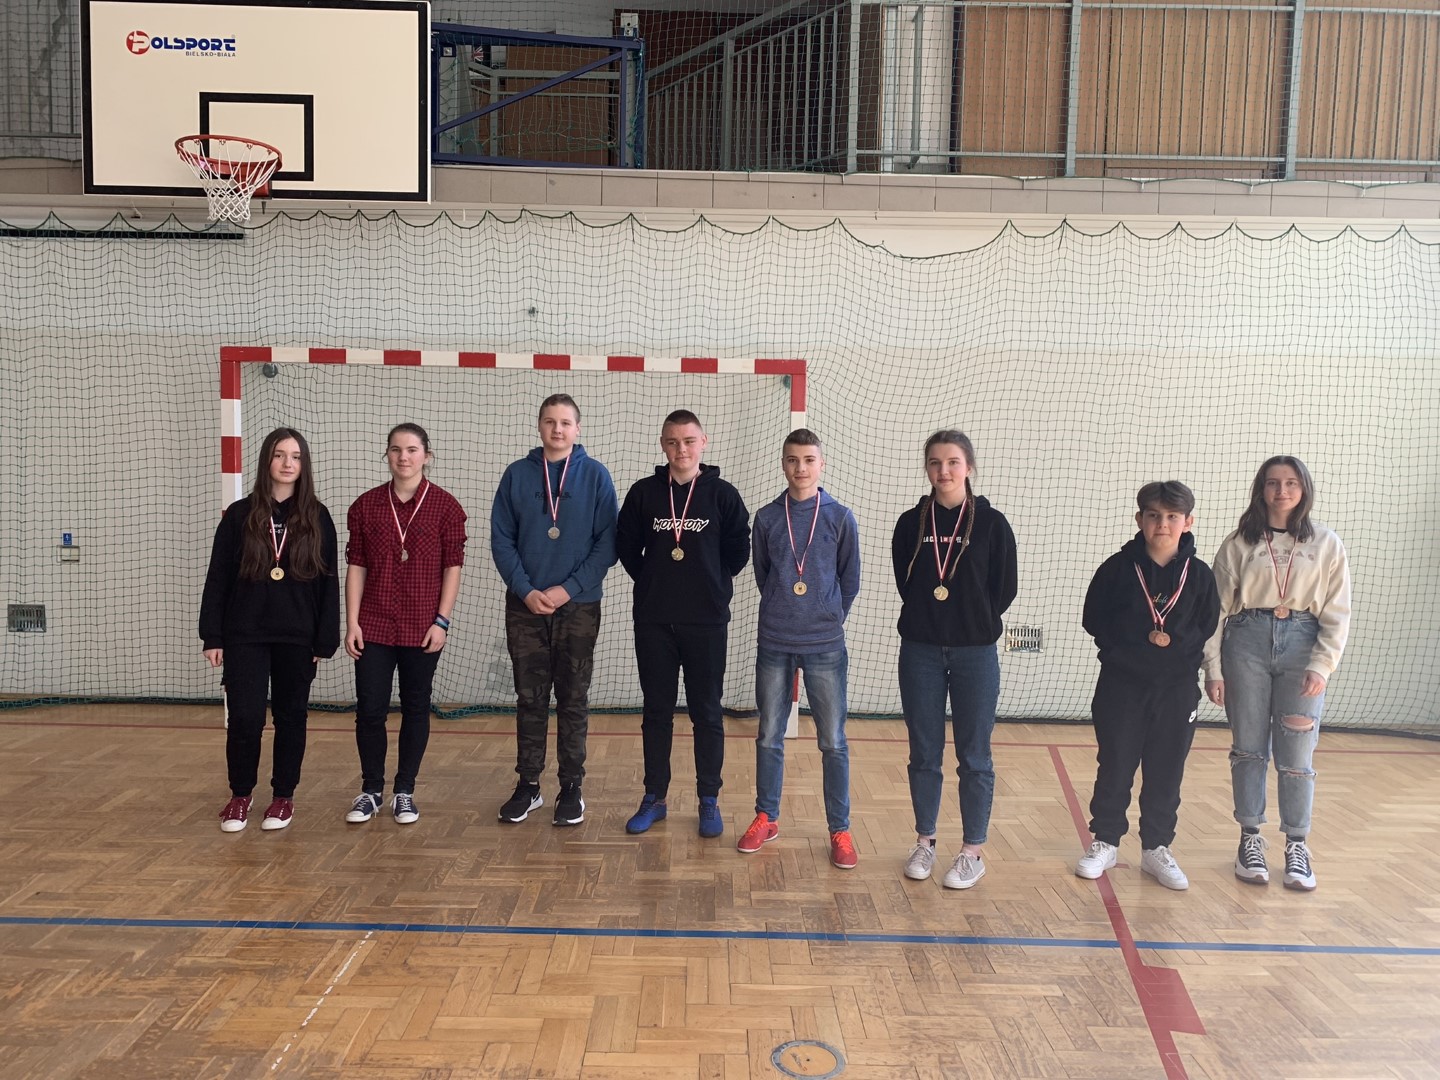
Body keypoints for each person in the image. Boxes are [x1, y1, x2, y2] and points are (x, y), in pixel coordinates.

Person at [1204, 456, 1351, 891]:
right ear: (1261, 489)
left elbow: (1338, 613)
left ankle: (1297, 845)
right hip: (1246, 642)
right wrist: (1213, 669)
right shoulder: (1239, 543)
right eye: (1272, 483)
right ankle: (1250, 838)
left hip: (1304, 645)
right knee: (1249, 748)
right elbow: (1213, 614)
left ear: (1303, 489)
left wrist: (1322, 665)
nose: (1281, 491)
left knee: (1297, 754)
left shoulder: (1326, 543)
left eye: (1290, 483)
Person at [1076, 481, 1219, 890]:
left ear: (1188, 522)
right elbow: (1094, 619)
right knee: (1115, 764)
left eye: (1173, 516)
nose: (1162, 524)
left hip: (1177, 690)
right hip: (1121, 686)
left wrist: (1176, 654)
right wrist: (1129, 650)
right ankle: (1106, 841)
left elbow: (1207, 624)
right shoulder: (1116, 569)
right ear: (1139, 519)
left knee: (1166, 769)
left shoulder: (1200, 575)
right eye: (1154, 515)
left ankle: (1157, 847)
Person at [891, 430, 1016, 889]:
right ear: (927, 468)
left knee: (974, 755)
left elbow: (1004, 588)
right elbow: (906, 582)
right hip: (920, 650)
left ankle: (971, 852)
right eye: (935, 463)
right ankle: (924, 842)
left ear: (969, 467)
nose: (943, 471)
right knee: (924, 751)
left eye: (953, 462)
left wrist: (971, 620)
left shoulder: (992, 524)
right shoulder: (911, 523)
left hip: (975, 653)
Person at [616, 410, 750, 838]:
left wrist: (710, 584)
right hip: (653, 621)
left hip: (706, 621)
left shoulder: (723, 495)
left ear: (703, 442)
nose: (681, 449)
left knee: (706, 712)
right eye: (673, 441)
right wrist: (653, 582)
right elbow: (626, 547)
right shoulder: (643, 493)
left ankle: (708, 799)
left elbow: (738, 551)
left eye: (689, 441)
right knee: (656, 711)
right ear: (663, 444)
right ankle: (654, 797)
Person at [201, 427, 339, 833]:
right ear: (266, 461)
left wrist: (325, 638)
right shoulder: (239, 515)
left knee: (291, 716)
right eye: (279, 455)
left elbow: (328, 582)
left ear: (304, 464)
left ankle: (283, 797)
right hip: (245, 634)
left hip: (298, 637)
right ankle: (240, 794)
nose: (287, 463)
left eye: (295, 456)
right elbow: (218, 577)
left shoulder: (318, 516)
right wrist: (213, 635)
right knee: (245, 718)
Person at [491, 394, 618, 826]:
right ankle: (528, 785)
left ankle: (571, 788)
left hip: (578, 606)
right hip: (525, 607)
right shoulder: (516, 474)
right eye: (550, 421)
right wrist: (526, 591)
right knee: (529, 698)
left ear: (577, 429)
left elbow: (608, 543)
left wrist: (569, 589)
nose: (557, 429)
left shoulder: (596, 476)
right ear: (539, 426)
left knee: (573, 698)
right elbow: (501, 539)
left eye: (565, 422)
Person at [739, 429, 861, 868]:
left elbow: (850, 579)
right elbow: (763, 573)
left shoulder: (840, 517)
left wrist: (828, 615)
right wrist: (783, 607)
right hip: (775, 640)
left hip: (824, 644)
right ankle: (766, 817)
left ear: (821, 464)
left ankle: (840, 830)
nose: (801, 468)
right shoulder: (767, 518)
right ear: (783, 464)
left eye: (809, 460)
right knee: (769, 735)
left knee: (833, 741)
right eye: (793, 460)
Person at [343, 423, 467, 826]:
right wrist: (352, 622)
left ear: (426, 456)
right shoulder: (366, 506)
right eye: (395, 449)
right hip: (374, 624)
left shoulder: (446, 507)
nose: (403, 457)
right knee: (370, 710)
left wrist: (441, 621)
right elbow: (356, 566)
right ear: (387, 454)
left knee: (416, 707)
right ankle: (370, 790)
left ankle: (404, 791)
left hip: (422, 626)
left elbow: (452, 568)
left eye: (412, 449)